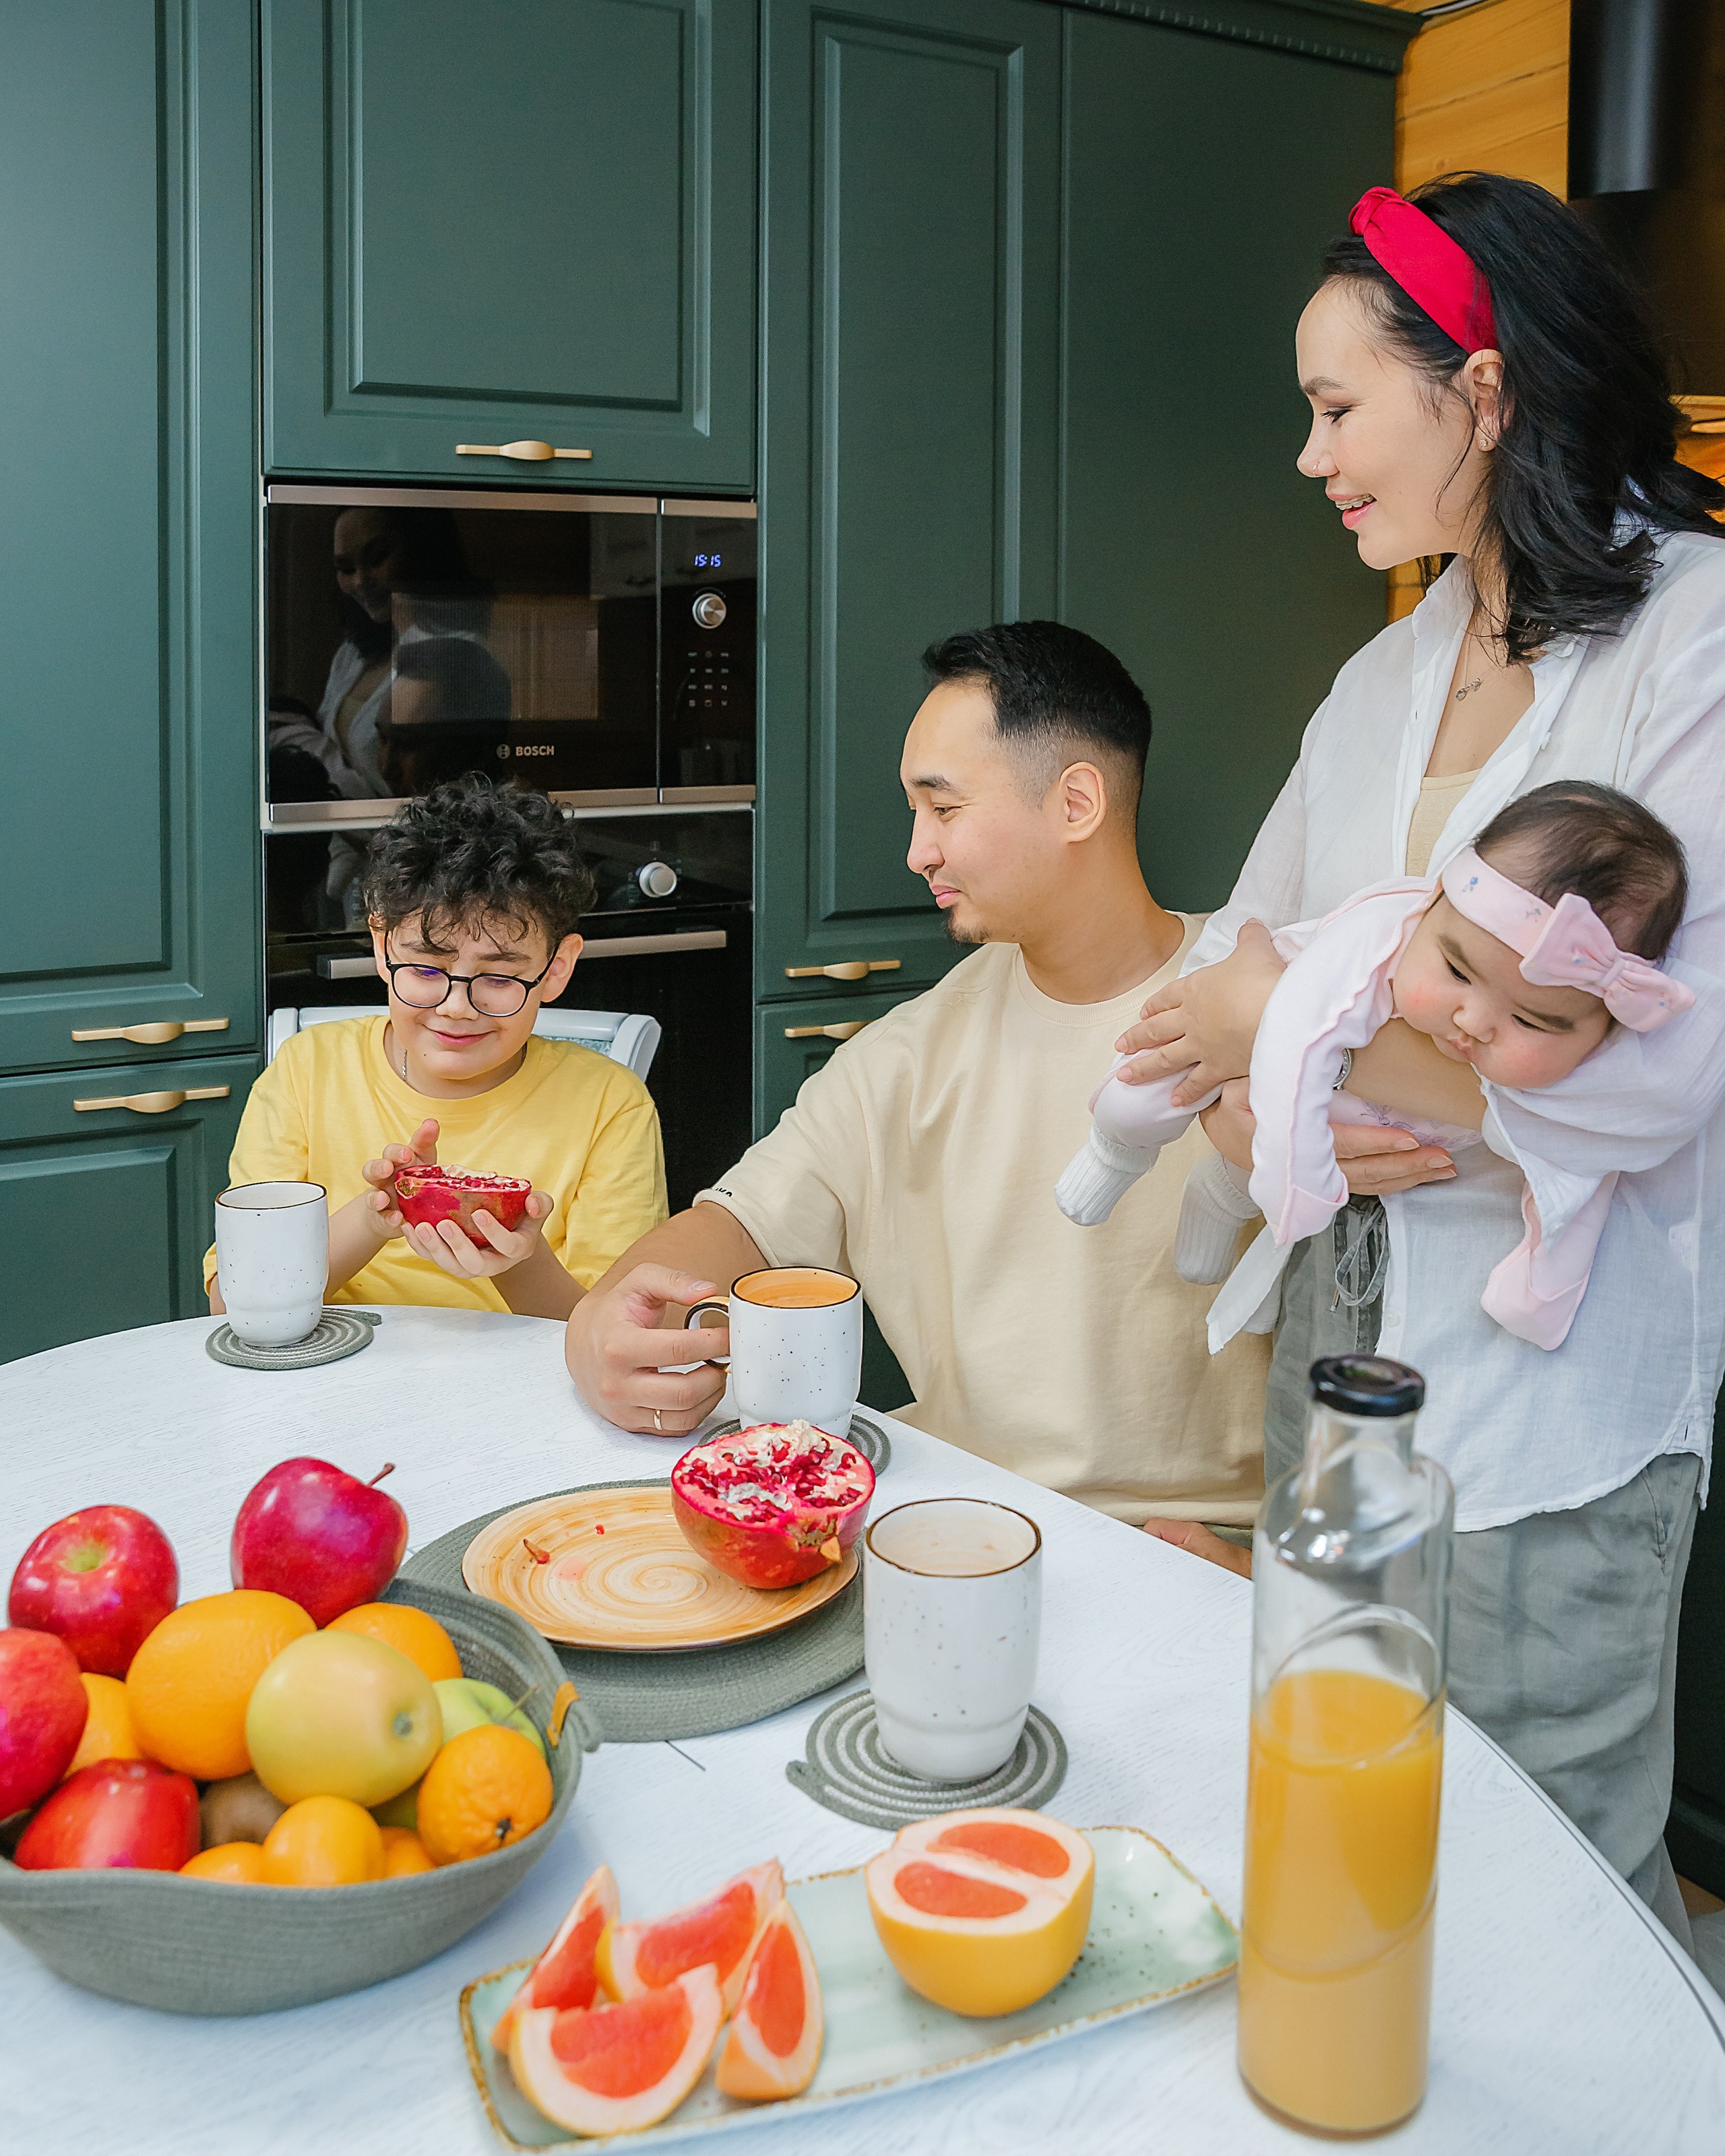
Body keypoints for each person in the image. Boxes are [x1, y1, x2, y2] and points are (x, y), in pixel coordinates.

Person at [1112, 174, 1725, 1939]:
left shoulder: (1696, 642)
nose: (1310, 459)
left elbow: (1664, 1086)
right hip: (1342, 1347)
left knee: (1557, 1888)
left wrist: (1309, 1036)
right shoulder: (1388, 676)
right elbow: (1233, 967)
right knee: (1355, 1823)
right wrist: (1244, 1083)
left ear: (1484, 386)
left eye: (1333, 407)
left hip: (1552, 1396)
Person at [565, 621, 1272, 1531]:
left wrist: (1266, 1574)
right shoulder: (912, 1052)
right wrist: (606, 1323)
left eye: (943, 809)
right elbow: (739, 1221)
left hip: (1203, 1559)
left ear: (1076, 803)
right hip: (959, 1526)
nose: (917, 852)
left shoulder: (1262, 1011)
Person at [1063, 782, 1693, 1358]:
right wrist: (1295, 1183)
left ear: (1602, 1032)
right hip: (1265, 1070)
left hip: (1361, 1162)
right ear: (1434, 906)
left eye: (1532, 1021)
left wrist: (1539, 1289)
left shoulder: (1604, 1081)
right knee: (1143, 1093)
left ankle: (1221, 1193)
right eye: (1455, 972)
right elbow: (1289, 1038)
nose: (1473, 1021)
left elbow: (1581, 1173)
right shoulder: (1378, 936)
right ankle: (1114, 1151)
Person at [207, 778, 666, 1319]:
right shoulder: (307, 1071)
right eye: (426, 969)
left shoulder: (611, 1104)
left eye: (499, 977)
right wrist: (379, 1215)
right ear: (381, 947)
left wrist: (516, 1257)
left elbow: (614, 1331)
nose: (456, 1007)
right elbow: (229, 1304)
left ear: (556, 969)